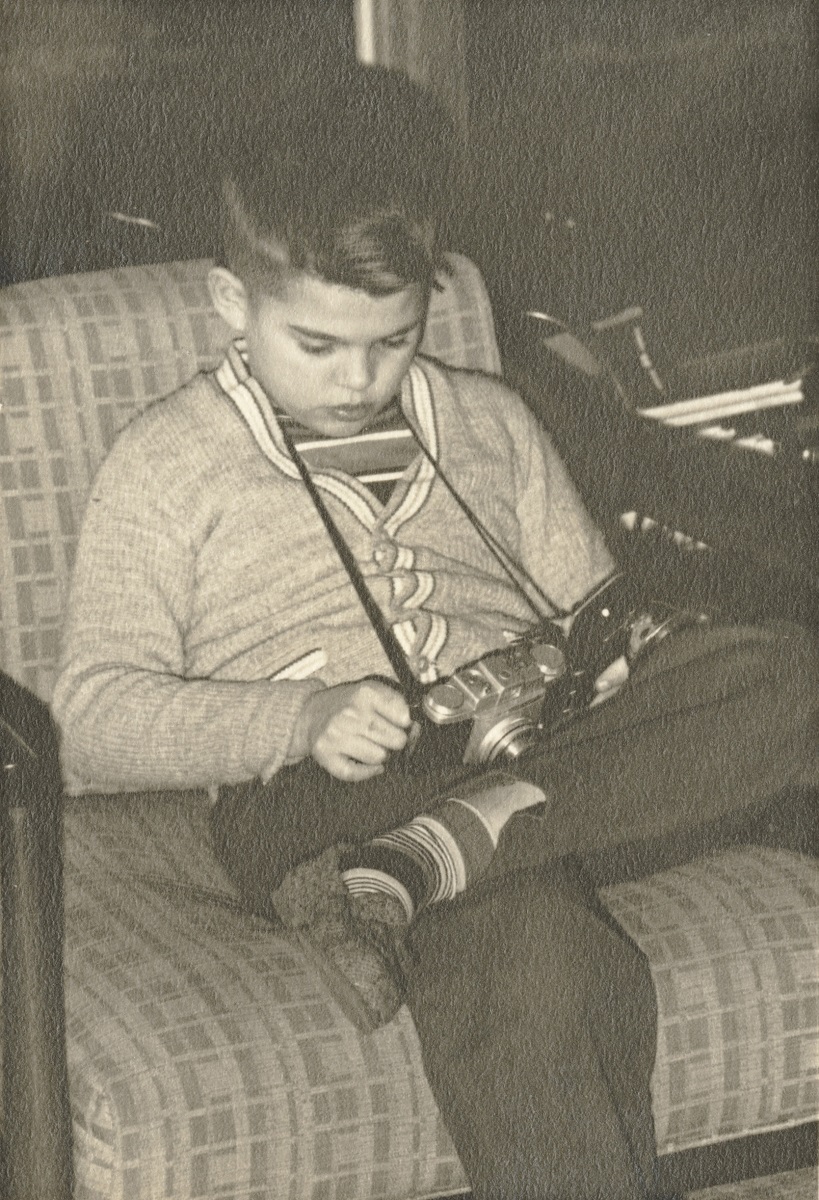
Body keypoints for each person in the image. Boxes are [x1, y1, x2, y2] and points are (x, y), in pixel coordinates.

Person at [53, 66, 815, 1200]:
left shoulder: (493, 422)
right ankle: (433, 849)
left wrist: (615, 659)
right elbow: (88, 722)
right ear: (231, 304)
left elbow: (599, 622)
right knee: (531, 943)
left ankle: (432, 859)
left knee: (785, 672)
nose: (360, 379)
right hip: (327, 798)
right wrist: (299, 716)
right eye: (317, 345)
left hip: (536, 761)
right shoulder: (167, 465)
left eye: (394, 341)